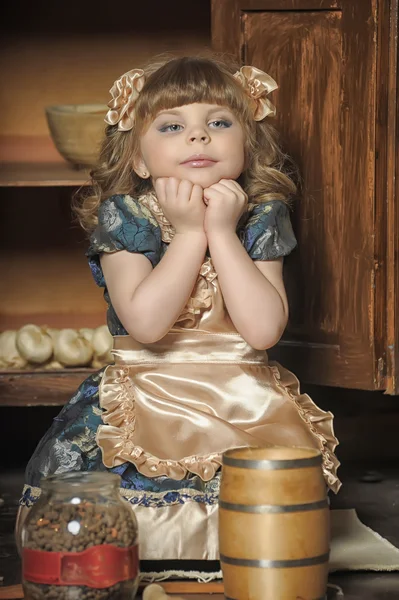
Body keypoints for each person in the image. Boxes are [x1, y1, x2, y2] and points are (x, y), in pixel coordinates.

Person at [17, 54, 340, 581]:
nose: (199, 138)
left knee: (279, 493)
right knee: (92, 496)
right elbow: (146, 326)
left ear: (247, 145)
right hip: (148, 387)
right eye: (173, 126)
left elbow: (262, 331)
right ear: (141, 160)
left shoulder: (260, 213)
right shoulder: (127, 215)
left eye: (219, 123)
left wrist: (221, 231)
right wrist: (189, 234)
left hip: (243, 395)